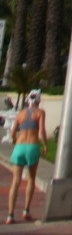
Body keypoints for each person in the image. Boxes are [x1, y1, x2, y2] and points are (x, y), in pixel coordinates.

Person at [6, 89, 47, 223]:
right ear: (38, 100)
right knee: (31, 179)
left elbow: (13, 133)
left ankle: (10, 215)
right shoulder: (40, 113)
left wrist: (14, 140)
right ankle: (26, 211)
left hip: (19, 146)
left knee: (15, 181)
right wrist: (45, 145)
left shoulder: (21, 114)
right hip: (32, 146)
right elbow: (41, 131)